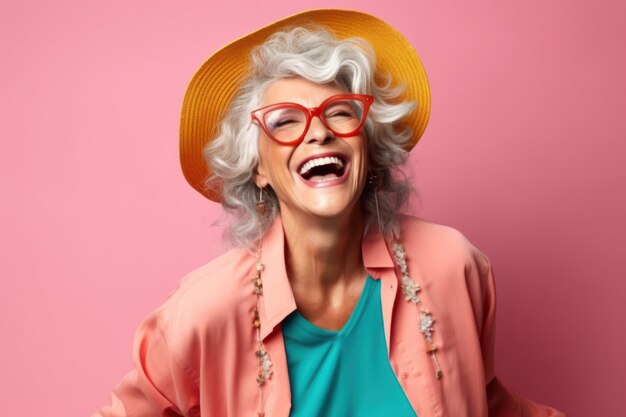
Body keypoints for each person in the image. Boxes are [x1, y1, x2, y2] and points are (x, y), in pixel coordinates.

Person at [93, 9, 565, 417]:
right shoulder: (203, 311)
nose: (317, 133)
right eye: (285, 121)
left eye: (340, 112)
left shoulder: (453, 266)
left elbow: (481, 400)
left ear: (369, 143)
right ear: (258, 169)